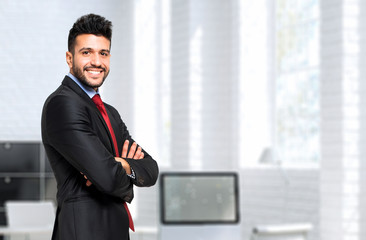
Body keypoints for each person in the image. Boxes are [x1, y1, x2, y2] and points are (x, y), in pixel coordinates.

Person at [41, 13, 159, 240]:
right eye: (87, 52)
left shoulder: (110, 113)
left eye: (103, 53)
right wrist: (120, 170)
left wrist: (120, 164)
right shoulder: (62, 104)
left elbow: (151, 169)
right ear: (69, 58)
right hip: (83, 232)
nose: (96, 61)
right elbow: (107, 177)